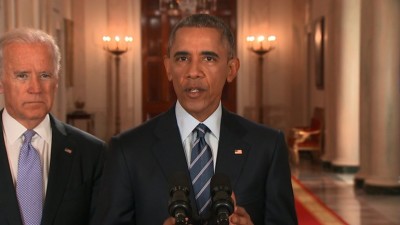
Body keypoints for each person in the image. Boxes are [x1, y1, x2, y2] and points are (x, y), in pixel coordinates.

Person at [92, 14, 297, 225]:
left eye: (208, 58)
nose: (193, 72)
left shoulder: (267, 147)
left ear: (231, 69)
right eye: (182, 58)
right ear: (168, 68)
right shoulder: (127, 150)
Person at [0, 28, 106, 225]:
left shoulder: (93, 153)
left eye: (45, 75)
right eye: (22, 75)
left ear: (56, 82)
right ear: (1, 82)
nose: (36, 88)